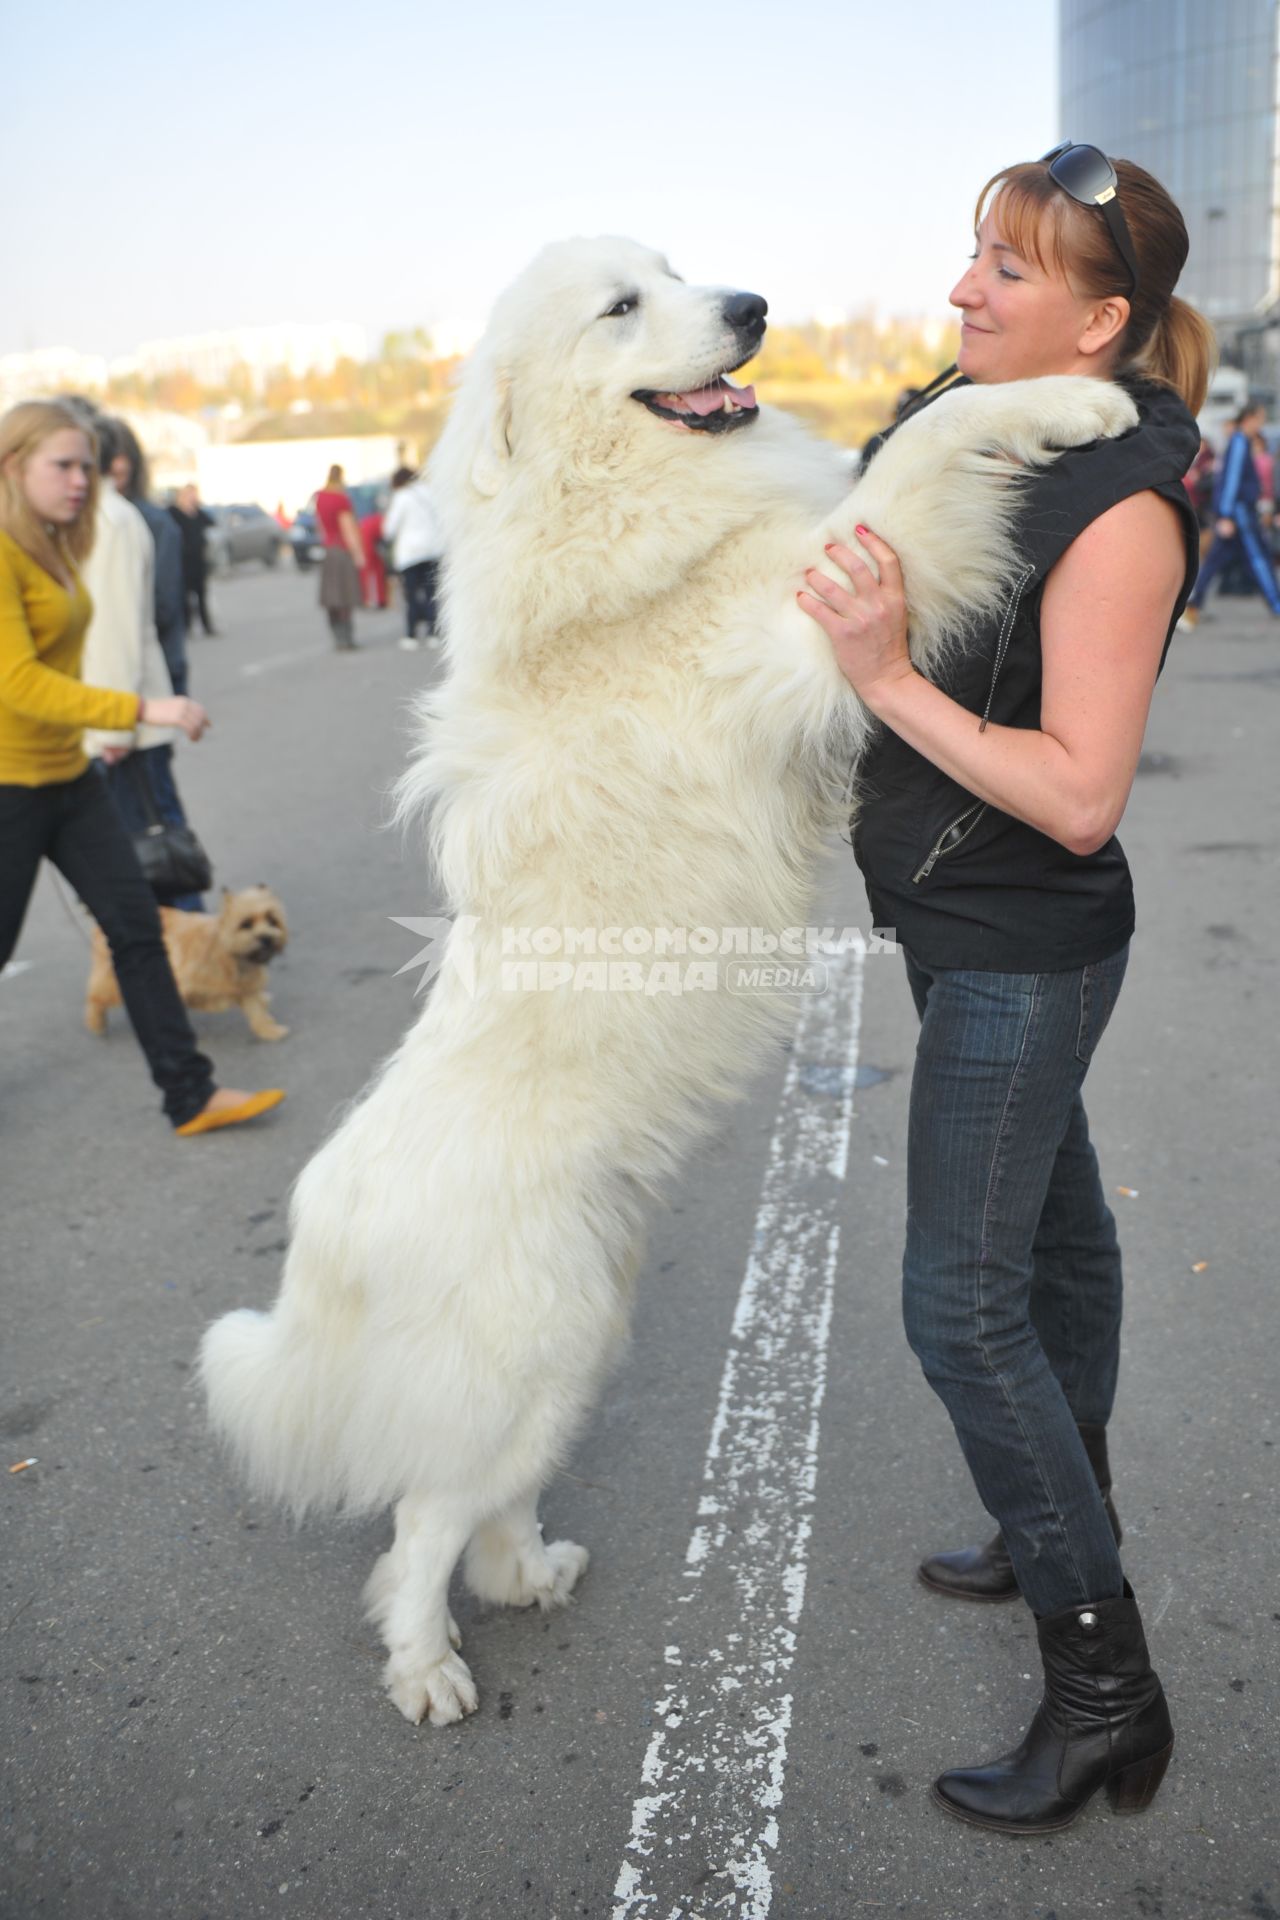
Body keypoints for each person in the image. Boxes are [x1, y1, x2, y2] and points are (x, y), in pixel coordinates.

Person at [798, 145, 1212, 1833]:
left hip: (1022, 947)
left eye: (1011, 271)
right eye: (974, 253)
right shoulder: (992, 449)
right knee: (1058, 1253)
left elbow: (1079, 792)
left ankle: (1107, 1688)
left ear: (1101, 324)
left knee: (962, 1307)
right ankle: (1066, 1521)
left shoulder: (1117, 508)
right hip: (968, 926)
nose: (965, 286)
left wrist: (882, 675)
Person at [0, 398, 283, 1137]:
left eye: (86, 467)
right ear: (12, 465)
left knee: (135, 926)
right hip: (10, 784)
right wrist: (141, 708)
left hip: (69, 774)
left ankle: (190, 1095)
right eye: (62, 465)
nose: (79, 481)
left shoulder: (52, 544)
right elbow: (15, 680)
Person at [96, 415, 203, 911]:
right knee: (146, 838)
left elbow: (147, 616)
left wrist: (120, 722)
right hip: (133, 701)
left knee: (160, 844)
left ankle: (194, 956)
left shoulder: (118, 521)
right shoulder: (113, 517)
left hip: (138, 703)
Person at [1179, 402, 1280, 625]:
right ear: (1249, 419)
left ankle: (1194, 603)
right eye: (1260, 420)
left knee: (1216, 559)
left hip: (1236, 512)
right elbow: (1232, 480)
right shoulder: (1240, 442)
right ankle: (1276, 603)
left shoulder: (1238, 442)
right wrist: (1225, 514)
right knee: (1258, 558)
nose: (1261, 425)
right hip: (1239, 513)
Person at [382, 465, 444, 650]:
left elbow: (389, 529)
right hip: (433, 550)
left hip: (410, 554)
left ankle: (411, 634)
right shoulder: (430, 492)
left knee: (411, 594)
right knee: (431, 593)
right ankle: (434, 632)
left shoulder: (402, 497)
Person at [313, 464, 366, 650]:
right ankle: (346, 637)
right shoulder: (340, 499)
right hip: (342, 550)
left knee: (331, 597)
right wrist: (359, 554)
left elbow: (319, 525)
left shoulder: (319, 497)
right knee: (345, 595)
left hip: (328, 550)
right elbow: (348, 529)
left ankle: (337, 636)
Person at [168, 483, 217, 636]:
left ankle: (206, 626)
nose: (193, 497)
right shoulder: (174, 513)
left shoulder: (198, 513)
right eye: (190, 494)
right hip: (182, 561)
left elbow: (212, 524)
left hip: (198, 560)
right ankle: (186, 627)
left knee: (201, 595)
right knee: (184, 596)